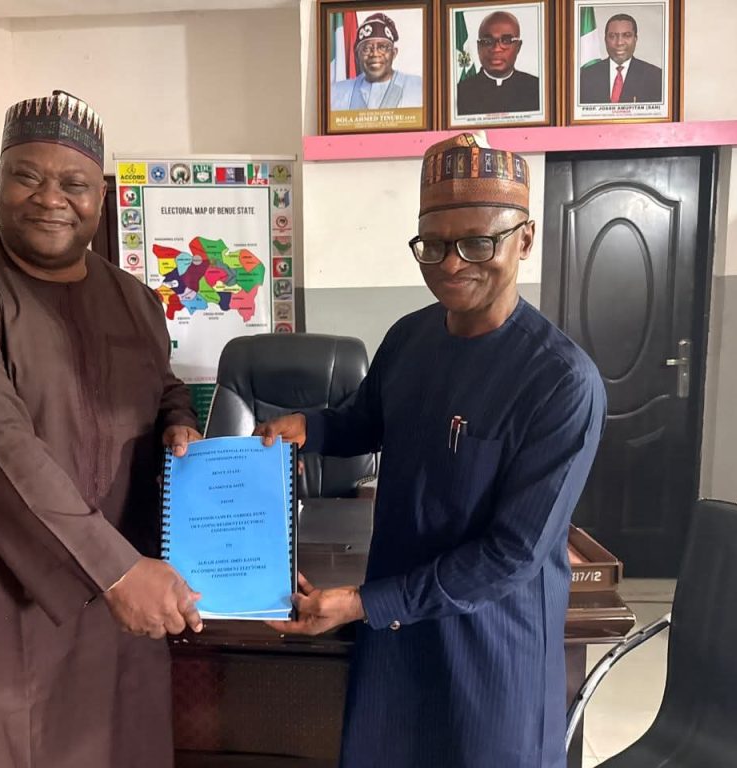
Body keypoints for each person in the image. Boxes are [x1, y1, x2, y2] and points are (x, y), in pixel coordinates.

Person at [0, 89, 204, 767]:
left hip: (111, 600)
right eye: (27, 176)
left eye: (74, 184)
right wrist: (116, 574)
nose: (51, 199)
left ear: (100, 197)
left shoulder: (135, 300)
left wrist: (180, 422)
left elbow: (161, 385)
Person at [256, 132, 606, 767]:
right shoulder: (410, 337)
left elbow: (510, 556)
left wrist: (363, 603)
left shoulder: (560, 382)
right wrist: (308, 427)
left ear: (525, 239)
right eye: (434, 244)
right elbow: (366, 421)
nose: (450, 263)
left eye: (478, 242)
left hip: (490, 649)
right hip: (396, 643)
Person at [331, 12, 423, 110]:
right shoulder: (336, 93)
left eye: (382, 47)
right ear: (357, 55)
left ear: (394, 53)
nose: (375, 53)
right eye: (366, 48)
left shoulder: (419, 87)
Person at [456, 11, 540, 115]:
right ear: (478, 47)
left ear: (518, 47)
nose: (496, 49)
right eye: (487, 41)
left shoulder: (537, 89)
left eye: (506, 40)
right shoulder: (459, 93)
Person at [580, 13, 663, 104]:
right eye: (612, 36)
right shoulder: (586, 76)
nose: (619, 43)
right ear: (605, 40)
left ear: (635, 39)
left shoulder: (655, 77)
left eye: (627, 35)